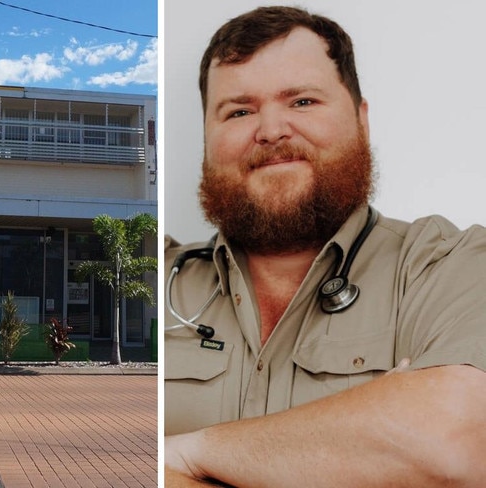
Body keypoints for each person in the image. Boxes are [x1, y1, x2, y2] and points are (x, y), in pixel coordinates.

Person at [164, 5, 486, 487]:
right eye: (239, 111)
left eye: (302, 102)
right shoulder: (156, 275)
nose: (271, 130)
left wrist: (182, 453)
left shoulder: (449, 266)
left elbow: (458, 445)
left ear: (362, 119)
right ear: (207, 137)